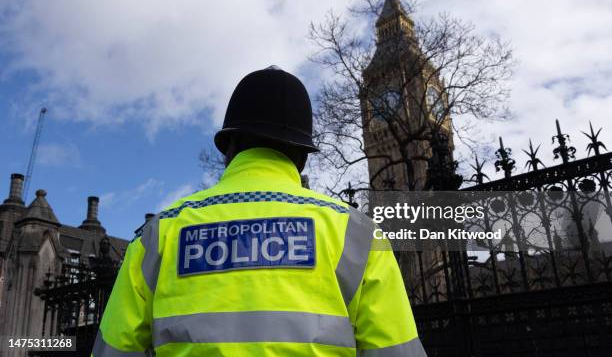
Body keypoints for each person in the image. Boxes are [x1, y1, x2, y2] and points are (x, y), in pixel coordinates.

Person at [92, 66, 426, 356]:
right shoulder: (357, 235)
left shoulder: (159, 236)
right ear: (303, 155)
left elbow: (114, 349)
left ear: (230, 147)